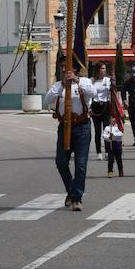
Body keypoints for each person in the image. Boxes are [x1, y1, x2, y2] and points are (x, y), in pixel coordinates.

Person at [44, 60, 94, 210]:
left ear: (75, 68)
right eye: (63, 66)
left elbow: (93, 93)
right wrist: (62, 86)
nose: (65, 69)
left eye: (68, 66)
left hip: (82, 126)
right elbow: (48, 100)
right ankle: (71, 190)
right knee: (61, 162)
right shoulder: (58, 85)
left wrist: (77, 81)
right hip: (65, 126)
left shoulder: (84, 81)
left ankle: (77, 197)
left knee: (80, 163)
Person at [89, 63, 112, 159]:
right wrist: (89, 107)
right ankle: (99, 152)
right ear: (98, 69)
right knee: (97, 131)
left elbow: (112, 92)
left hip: (106, 105)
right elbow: (90, 95)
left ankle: (107, 151)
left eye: (105, 68)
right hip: (95, 105)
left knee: (106, 130)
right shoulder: (92, 81)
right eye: (102, 68)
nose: (104, 70)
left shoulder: (108, 80)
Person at [101, 101, 126, 177]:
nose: (113, 120)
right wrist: (109, 137)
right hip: (110, 146)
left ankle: (120, 171)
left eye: (114, 118)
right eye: (111, 119)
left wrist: (114, 135)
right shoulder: (107, 128)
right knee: (110, 160)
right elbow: (104, 136)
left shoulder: (118, 127)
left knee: (119, 160)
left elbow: (120, 134)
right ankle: (110, 171)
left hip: (117, 145)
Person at [121, 66, 135, 146]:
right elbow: (123, 89)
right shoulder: (129, 82)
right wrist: (124, 100)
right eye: (134, 76)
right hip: (132, 104)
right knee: (134, 123)